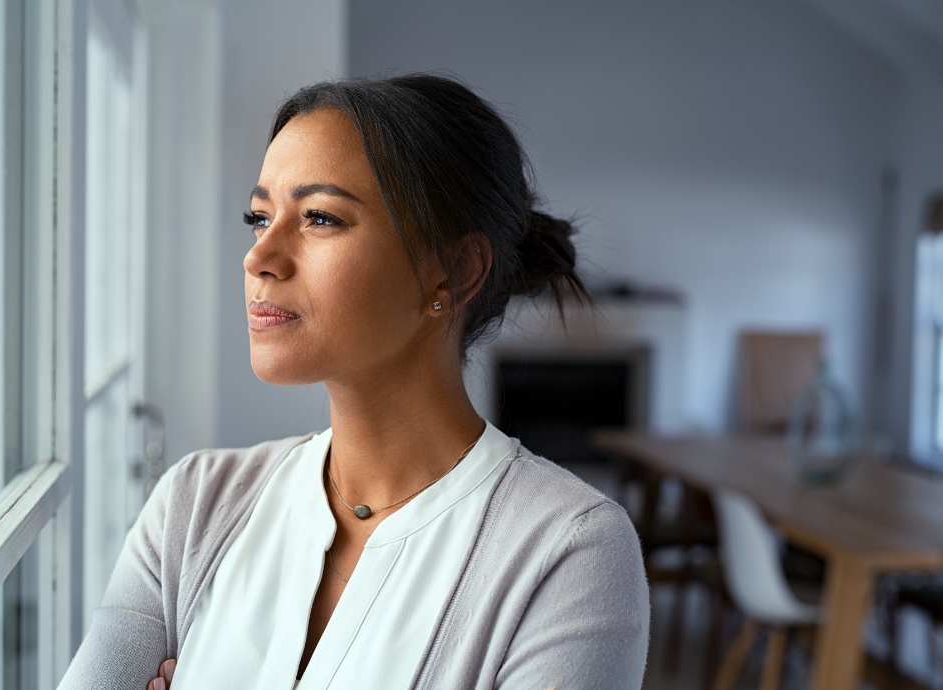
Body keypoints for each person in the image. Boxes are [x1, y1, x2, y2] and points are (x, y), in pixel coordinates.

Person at [58, 74, 649, 690]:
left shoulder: (568, 553)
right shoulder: (194, 505)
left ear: (453, 272)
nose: (259, 256)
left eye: (319, 218)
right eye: (259, 217)